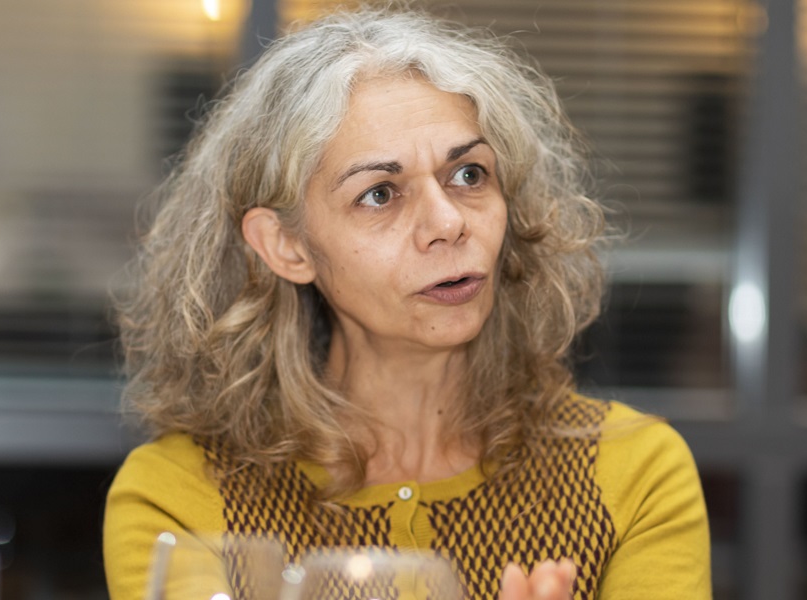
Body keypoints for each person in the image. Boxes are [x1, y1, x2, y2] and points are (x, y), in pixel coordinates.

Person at [104, 6, 711, 600]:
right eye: (380, 194)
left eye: (468, 175)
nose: (447, 223)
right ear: (286, 246)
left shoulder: (633, 472)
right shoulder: (177, 498)